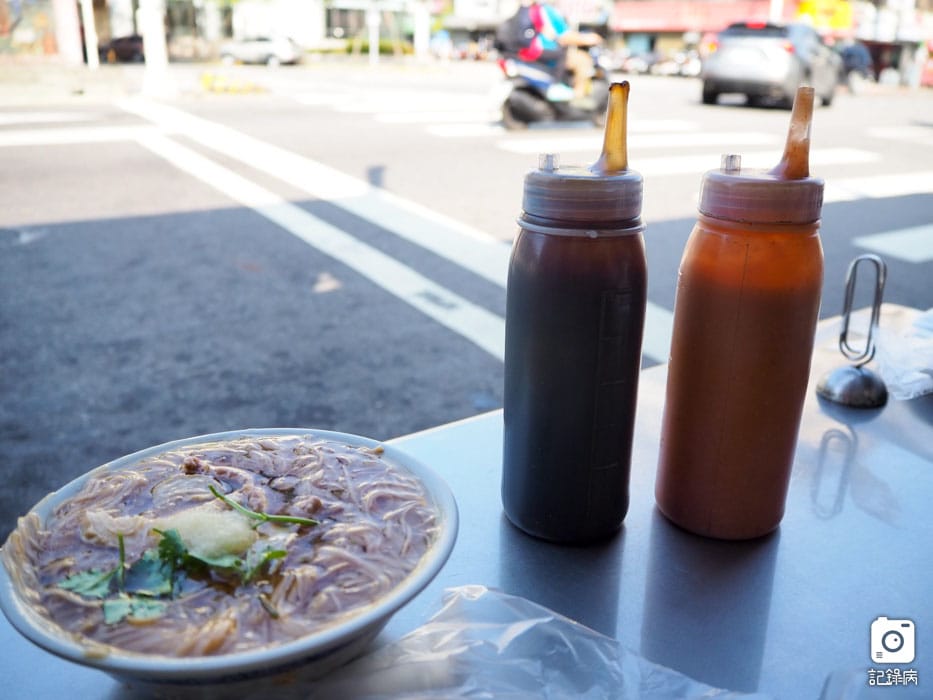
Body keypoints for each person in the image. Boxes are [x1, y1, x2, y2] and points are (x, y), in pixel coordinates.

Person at [515, 1, 603, 100]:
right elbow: (564, 37)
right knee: (583, 60)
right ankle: (578, 98)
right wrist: (587, 39)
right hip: (545, 51)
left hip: (533, 52)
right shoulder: (545, 10)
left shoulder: (530, 10)